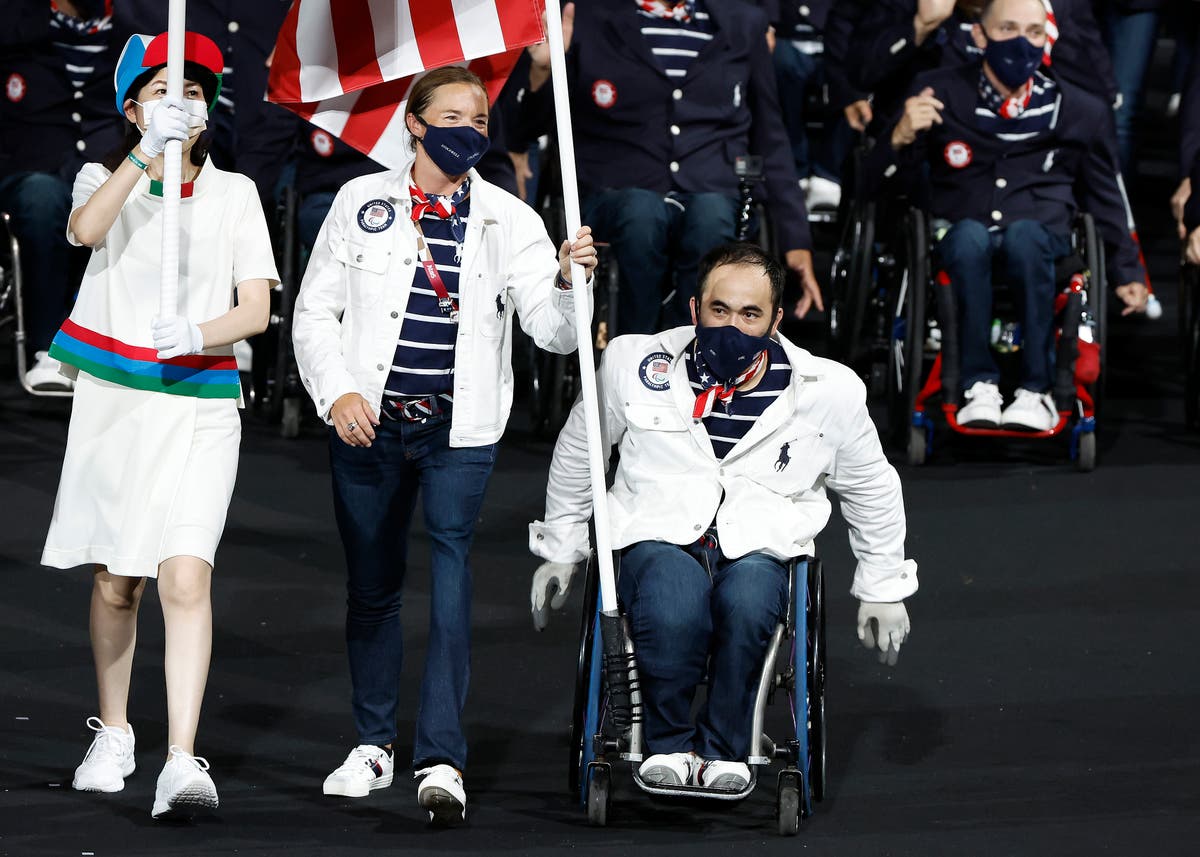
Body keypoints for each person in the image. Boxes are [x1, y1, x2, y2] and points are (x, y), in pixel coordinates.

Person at [291, 65, 597, 825]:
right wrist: (339, 393)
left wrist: (568, 280)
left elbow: (553, 333)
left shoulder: (509, 218)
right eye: (454, 114)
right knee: (373, 583)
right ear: (415, 123)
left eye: (483, 120)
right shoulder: (361, 201)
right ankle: (372, 742)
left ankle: (441, 757)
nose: (471, 129)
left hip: (458, 428)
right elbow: (313, 314)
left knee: (453, 576)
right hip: (369, 421)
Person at [529, 242, 917, 792]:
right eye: (720, 310)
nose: (732, 325)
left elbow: (870, 485)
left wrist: (881, 585)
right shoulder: (630, 363)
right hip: (657, 533)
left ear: (776, 320)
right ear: (694, 308)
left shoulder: (829, 391)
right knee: (674, 606)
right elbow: (580, 451)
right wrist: (561, 548)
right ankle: (665, 744)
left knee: (749, 604)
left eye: (750, 314)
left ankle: (726, 749)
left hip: (760, 542)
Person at [39, 31, 278, 818]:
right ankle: (114, 731)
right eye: (164, 91)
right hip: (116, 402)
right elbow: (82, 232)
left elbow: (256, 307)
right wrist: (145, 155)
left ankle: (181, 756)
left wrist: (202, 333)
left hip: (202, 401)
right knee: (118, 582)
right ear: (134, 106)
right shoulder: (101, 177)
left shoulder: (236, 193)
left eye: (197, 92)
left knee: (185, 573)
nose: (185, 103)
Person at [866, 0, 1148, 432]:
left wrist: (1128, 271)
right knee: (968, 238)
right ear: (980, 36)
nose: (1021, 42)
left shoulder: (1077, 109)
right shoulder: (936, 93)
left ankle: (1037, 390)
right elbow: (880, 188)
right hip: (960, 230)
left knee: (1024, 237)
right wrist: (899, 138)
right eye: (1008, 28)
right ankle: (978, 383)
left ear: (1047, 37)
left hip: (1042, 235)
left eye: (1034, 32)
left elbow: (1106, 197)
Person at [525, 0, 823, 335]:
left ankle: (698, 355)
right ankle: (632, 355)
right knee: (642, 215)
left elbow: (770, 135)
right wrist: (544, 69)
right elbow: (529, 129)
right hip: (615, 189)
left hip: (714, 187)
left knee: (710, 219)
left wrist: (796, 239)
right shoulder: (586, 15)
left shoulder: (743, 21)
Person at [0, 0, 126, 390]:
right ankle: (48, 347)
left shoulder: (131, 34)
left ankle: (115, 344)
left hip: (103, 165)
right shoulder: (13, 27)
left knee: (124, 193)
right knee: (43, 196)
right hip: (27, 170)